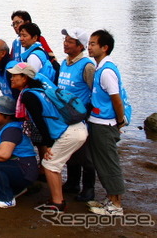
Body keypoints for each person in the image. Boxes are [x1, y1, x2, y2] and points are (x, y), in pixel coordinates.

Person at [8, 62, 87, 212]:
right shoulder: (38, 89)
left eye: (15, 75)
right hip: (76, 128)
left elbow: (39, 121)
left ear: (25, 78)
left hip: (70, 133)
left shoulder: (29, 95)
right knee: (53, 165)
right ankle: (57, 199)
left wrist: (49, 144)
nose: (11, 78)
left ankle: (57, 203)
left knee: (50, 165)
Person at [86, 30, 129, 216]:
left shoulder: (107, 71)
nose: (89, 46)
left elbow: (116, 100)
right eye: (89, 43)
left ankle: (116, 204)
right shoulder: (100, 68)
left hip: (106, 124)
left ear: (105, 48)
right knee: (102, 162)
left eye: (93, 44)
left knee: (109, 162)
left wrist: (119, 122)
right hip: (98, 122)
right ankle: (110, 198)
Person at [0, 97, 38, 209]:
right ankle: (13, 188)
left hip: (25, 169)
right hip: (15, 165)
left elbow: (4, 154)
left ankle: (6, 198)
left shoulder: (12, 130)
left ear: (8, 115)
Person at [59, 28, 96, 202]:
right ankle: (72, 183)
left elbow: (94, 91)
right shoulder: (65, 63)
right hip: (67, 115)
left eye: (69, 41)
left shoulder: (87, 66)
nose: (65, 43)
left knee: (85, 155)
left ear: (80, 46)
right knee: (71, 151)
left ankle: (89, 189)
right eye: (65, 40)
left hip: (82, 116)